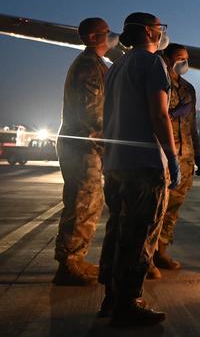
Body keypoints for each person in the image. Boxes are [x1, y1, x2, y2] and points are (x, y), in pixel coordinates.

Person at [97, 12, 179, 326]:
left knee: (116, 230)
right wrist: (171, 156)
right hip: (144, 164)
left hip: (116, 161)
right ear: (149, 31)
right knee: (140, 234)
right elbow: (159, 114)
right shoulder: (151, 62)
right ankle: (128, 304)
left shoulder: (117, 66)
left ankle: (110, 297)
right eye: (160, 27)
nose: (162, 32)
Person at [53, 17, 116, 286]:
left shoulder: (96, 65)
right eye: (106, 33)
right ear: (92, 37)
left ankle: (75, 258)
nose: (111, 36)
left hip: (86, 145)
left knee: (89, 202)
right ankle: (69, 264)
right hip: (82, 145)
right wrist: (112, 141)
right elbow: (93, 113)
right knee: (82, 203)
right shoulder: (89, 67)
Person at [151, 44, 200, 275]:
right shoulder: (157, 82)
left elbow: (192, 125)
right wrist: (173, 114)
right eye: (180, 58)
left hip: (185, 156)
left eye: (186, 58)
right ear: (167, 58)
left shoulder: (188, 89)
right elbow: (154, 116)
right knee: (156, 208)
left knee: (173, 208)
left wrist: (198, 155)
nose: (184, 62)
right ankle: (147, 256)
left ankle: (161, 250)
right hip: (165, 153)